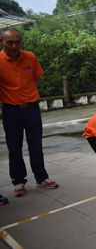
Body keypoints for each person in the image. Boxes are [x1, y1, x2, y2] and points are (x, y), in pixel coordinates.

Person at [0, 28, 58, 197]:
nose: (14, 46)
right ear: (2, 42)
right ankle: (18, 181)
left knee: (35, 146)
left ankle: (41, 177)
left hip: (32, 109)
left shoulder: (30, 57)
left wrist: (27, 94)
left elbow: (37, 77)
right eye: (9, 42)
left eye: (18, 42)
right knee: (15, 148)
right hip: (11, 111)